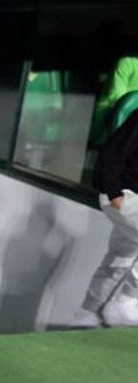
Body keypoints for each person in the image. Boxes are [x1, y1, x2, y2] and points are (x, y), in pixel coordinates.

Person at [72, 99, 138, 328]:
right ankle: (126, 302)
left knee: (123, 255)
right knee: (124, 254)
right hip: (123, 194)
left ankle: (88, 313)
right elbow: (111, 154)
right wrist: (114, 193)